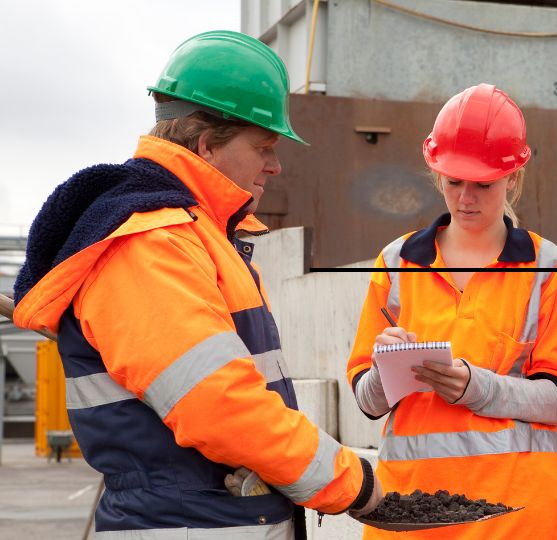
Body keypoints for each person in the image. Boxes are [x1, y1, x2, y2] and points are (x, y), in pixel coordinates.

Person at [12, 30, 381, 538]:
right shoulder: (150, 242)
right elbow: (219, 405)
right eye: (264, 147)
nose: (274, 165)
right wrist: (350, 482)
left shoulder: (193, 236)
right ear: (208, 146)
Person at [346, 83, 557, 539]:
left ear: (513, 177)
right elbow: (367, 400)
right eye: (454, 182)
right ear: (436, 173)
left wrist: (476, 387)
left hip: (514, 517)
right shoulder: (396, 263)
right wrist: (385, 370)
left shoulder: (547, 268)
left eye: (484, 184)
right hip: (410, 513)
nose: (465, 198)